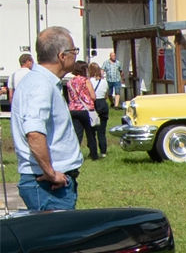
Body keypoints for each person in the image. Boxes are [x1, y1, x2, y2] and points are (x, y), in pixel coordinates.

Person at [9, 27, 84, 211]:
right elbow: (34, 133)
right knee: (60, 238)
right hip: (48, 186)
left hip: (49, 184)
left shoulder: (43, 83)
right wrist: (50, 173)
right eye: (74, 51)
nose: (75, 55)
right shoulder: (40, 85)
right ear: (62, 55)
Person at [64, 59, 98, 159]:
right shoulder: (85, 80)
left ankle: (75, 155)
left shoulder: (70, 82)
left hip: (74, 109)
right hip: (86, 109)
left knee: (77, 134)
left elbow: (70, 98)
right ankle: (94, 154)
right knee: (90, 134)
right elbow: (93, 96)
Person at [89, 61, 110, 157]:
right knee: (102, 131)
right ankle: (103, 151)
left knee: (92, 130)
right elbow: (106, 95)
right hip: (103, 104)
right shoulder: (104, 81)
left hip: (94, 103)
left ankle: (93, 151)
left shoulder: (90, 81)